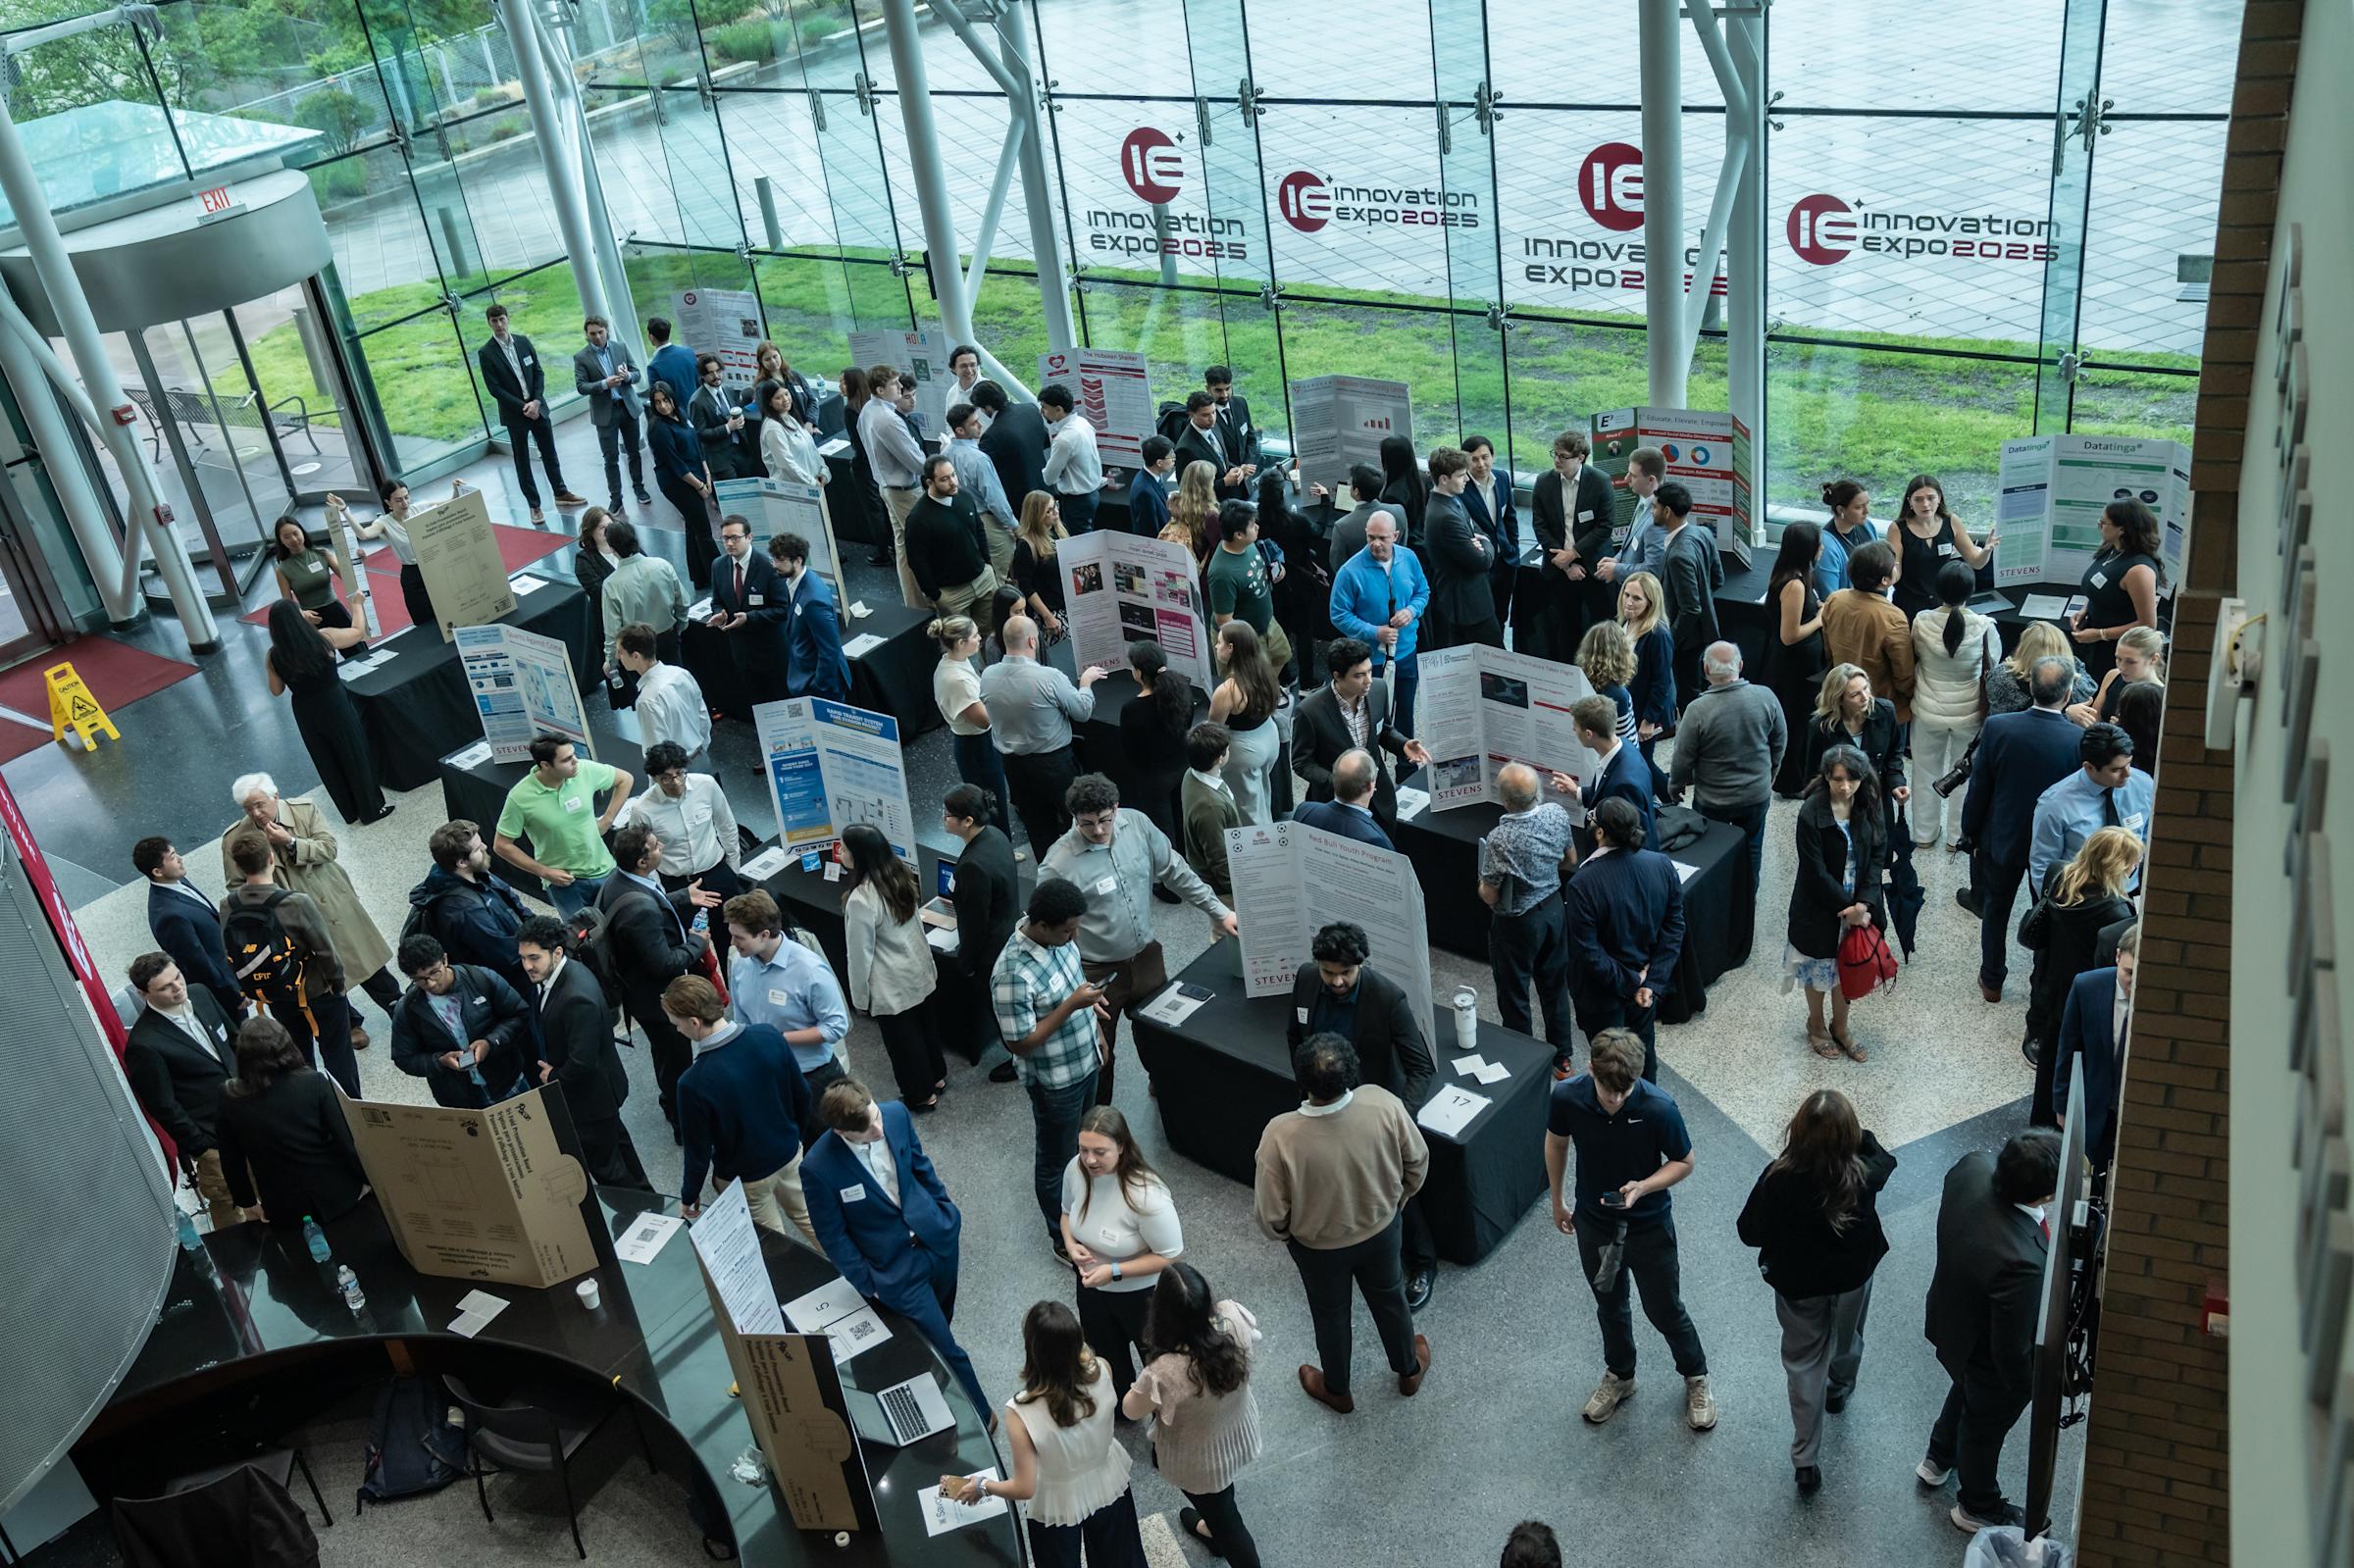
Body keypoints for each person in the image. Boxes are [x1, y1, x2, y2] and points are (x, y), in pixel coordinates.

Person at [1544, 1028, 1714, 1431]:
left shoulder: (1659, 1108)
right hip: (1595, 1223)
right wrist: (1557, 1201)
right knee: (1609, 1304)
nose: (1617, 1100)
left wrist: (1645, 1186)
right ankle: (1620, 1376)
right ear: (1590, 1070)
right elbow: (1556, 1142)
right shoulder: (1568, 1097)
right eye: (1608, 1092)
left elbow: (1685, 1161)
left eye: (1625, 1091)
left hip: (1649, 1226)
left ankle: (1696, 1376)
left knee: (1665, 1308)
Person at [1255, 1032, 1431, 1413]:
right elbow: (1417, 1161)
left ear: (1302, 1081)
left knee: (1330, 1315)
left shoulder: (1279, 1135)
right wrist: (1397, 1200)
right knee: (1391, 1298)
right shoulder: (1383, 1104)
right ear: (1353, 1072)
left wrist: (1292, 1236)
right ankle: (1408, 1369)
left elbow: (1270, 1216)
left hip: (1317, 1249)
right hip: (1382, 1230)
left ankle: (1337, 1388)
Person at [1736, 1088, 1897, 1495]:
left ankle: (1806, 1460)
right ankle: (1839, 1389)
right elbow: (1884, 1156)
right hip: (1852, 1276)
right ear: (1850, 1136)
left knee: (1804, 1362)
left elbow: (1748, 1232)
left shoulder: (1779, 1177)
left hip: (1798, 1285)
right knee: (1848, 1337)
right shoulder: (1865, 1172)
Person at [1042, 773, 1236, 1106]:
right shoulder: (1058, 866)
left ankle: (1164, 1086)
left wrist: (1219, 911)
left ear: (1116, 808)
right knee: (1099, 1051)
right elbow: (1048, 938)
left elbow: (1175, 871)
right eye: (1087, 824)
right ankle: (1098, 1119)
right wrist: (1073, 986)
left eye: (1105, 819)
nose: (1099, 830)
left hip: (1145, 957)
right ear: (1074, 818)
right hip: (1095, 972)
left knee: (1159, 1031)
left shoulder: (1138, 825)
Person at [802, 1080, 990, 1413]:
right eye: (867, 1129)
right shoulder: (818, 1167)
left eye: (876, 1116)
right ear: (842, 1132)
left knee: (942, 1321)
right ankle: (983, 1415)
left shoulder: (895, 1114)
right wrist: (869, 1283)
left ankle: (933, 1375)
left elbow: (920, 1165)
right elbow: (832, 1236)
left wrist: (945, 1210)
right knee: (949, 1349)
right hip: (895, 1271)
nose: (878, 1128)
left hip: (936, 1238)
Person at [1285, 925, 1439, 1304]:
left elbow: (1421, 1066)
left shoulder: (1386, 997)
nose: (1336, 981)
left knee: (1397, 1187)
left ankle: (1422, 1263)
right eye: (1328, 972)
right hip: (1322, 1103)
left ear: (1361, 965)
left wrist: (1396, 1119)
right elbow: (1295, 1035)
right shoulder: (1305, 979)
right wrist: (1308, 1087)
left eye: (1345, 973)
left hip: (1371, 1110)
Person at [1919, 1129, 2061, 1533]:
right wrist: (2027, 1387)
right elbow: (2012, 1351)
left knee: (1966, 1386)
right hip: (1990, 1347)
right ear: (2045, 1194)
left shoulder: (1971, 1168)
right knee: (1985, 1423)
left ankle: (1938, 1457)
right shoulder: (2024, 1261)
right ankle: (1976, 1505)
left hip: (1953, 1317)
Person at [944, 1301, 1147, 1567]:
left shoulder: (1021, 1410)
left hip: (1055, 1498)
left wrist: (982, 1486)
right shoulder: (1103, 1370)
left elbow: (1024, 1487)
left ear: (1033, 1351)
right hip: (1107, 1478)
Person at [223, 775, 396, 1045]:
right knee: (318, 972)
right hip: (289, 919)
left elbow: (329, 848)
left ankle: (397, 1005)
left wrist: (291, 843)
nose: (256, 813)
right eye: (248, 808)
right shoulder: (236, 838)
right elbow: (235, 884)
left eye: (260, 804)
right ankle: (350, 1023)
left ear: (275, 796)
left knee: (363, 958)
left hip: (330, 899)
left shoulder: (304, 811)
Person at [1960, 657, 2087, 1001]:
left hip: (2003, 836)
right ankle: (2039, 979)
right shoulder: (2078, 740)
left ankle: (1992, 980)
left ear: (2030, 687)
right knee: (2047, 913)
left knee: (1996, 909)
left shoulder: (1999, 727)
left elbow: (1980, 788)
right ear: (2069, 693)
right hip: (2054, 846)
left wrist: (1969, 830)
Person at [993, 878, 1112, 1242]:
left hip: (1085, 1059)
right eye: (1067, 931)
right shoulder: (1013, 973)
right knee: (1056, 1161)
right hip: (1055, 1081)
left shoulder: (1059, 940)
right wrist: (1071, 1006)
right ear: (1041, 925)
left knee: (1084, 1142)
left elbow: (1079, 988)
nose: (1073, 938)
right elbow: (1020, 1043)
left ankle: (1088, 1202)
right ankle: (1062, 1236)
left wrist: (1097, 1030)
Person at [1123, 1264, 1264, 1568]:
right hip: (1236, 1431)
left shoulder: (1164, 1371)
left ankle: (1218, 1534)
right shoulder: (1233, 1315)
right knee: (1222, 1503)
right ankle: (1213, 1527)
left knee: (1229, 1523)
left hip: (1199, 1460)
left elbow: (1129, 1409)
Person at [667, 974, 813, 1241]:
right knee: (815, 1222)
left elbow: (698, 1153)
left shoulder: (692, 1083)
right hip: (790, 1153)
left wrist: (689, 1196)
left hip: (747, 1177)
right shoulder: (768, 1035)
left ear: (695, 1022)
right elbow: (802, 1095)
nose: (677, 1030)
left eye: (677, 1024)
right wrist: (794, 1136)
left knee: (774, 1246)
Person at [597, 823, 718, 1136]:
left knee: (665, 1054)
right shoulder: (641, 911)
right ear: (642, 860)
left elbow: (650, 904)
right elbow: (663, 963)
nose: (661, 846)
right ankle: (682, 1120)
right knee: (675, 1059)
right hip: (656, 1000)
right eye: (655, 845)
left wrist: (681, 897)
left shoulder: (619, 881)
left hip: (637, 990)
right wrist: (696, 942)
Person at [1061, 1105, 1184, 1402]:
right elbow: (1066, 1213)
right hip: (1091, 1286)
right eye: (1084, 1149)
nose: (1089, 1159)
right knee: (1105, 1354)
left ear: (1122, 1147)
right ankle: (1117, 1407)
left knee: (1155, 1363)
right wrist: (1069, 1243)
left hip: (1141, 1296)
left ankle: (1162, 1422)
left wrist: (1113, 1271)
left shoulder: (1146, 1195)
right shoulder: (1075, 1169)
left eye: (1100, 1152)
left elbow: (1170, 1255)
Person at [1667, 640, 1784, 952]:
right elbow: (1779, 739)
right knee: (1752, 851)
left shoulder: (1697, 711)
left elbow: (1682, 758)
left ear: (1706, 670)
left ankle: (1718, 915)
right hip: (1755, 796)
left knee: (1712, 860)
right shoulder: (1764, 698)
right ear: (1741, 666)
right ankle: (1747, 908)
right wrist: (1770, 774)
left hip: (1713, 802)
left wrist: (1675, 786)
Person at [519, 914, 650, 1189]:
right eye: (523, 958)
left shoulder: (576, 997)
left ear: (556, 952)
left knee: (609, 1170)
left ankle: (633, 1214)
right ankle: (648, 1203)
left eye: (534, 958)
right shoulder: (567, 974)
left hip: (591, 1101)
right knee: (621, 1153)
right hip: (600, 1094)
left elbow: (582, 1061)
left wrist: (553, 1075)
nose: (527, 966)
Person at [1562, 797, 1684, 1083]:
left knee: (1608, 1065)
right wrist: (1651, 982)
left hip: (1601, 994)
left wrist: (1633, 983)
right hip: (1644, 993)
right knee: (1643, 1055)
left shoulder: (1582, 884)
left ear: (1601, 832)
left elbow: (1588, 951)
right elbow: (1674, 926)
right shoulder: (1661, 864)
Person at [1784, 744, 1889, 1063]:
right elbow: (1814, 870)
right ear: (1826, 777)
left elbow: (1878, 855)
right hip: (1820, 906)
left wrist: (1865, 903)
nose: (1845, 786)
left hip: (1859, 903)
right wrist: (1849, 909)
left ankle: (1841, 1026)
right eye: (1838, 779)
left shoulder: (1870, 801)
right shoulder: (1811, 812)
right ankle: (1816, 1024)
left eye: (1851, 779)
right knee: (1818, 968)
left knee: (1846, 968)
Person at [2021, 824, 2140, 1103]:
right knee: (2073, 1071)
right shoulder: (2117, 914)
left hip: (2048, 984)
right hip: (2079, 996)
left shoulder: (2059, 874)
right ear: (2119, 866)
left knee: (2049, 1066)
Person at [215, 1017, 370, 1227]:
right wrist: (367, 1180)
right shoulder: (312, 1082)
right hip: (336, 1190)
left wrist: (246, 1200)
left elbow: (230, 1155)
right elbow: (346, 1140)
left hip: (281, 1202)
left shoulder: (230, 1095)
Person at [122, 953, 241, 1228]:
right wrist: (202, 1145)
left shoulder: (200, 994)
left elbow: (236, 1042)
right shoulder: (144, 1044)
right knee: (232, 1207)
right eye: (165, 987)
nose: (178, 987)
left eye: (177, 977)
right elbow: (164, 1105)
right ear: (143, 994)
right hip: (215, 1139)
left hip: (251, 1113)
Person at [724, 889, 851, 1132]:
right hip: (769, 1075)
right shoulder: (740, 964)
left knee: (830, 1149)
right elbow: (742, 1020)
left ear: (763, 934)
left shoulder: (809, 970)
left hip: (813, 1079)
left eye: (739, 937)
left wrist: (778, 1040)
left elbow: (836, 1026)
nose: (732, 943)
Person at [1479, 760, 1581, 1061]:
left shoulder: (1500, 838)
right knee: (1554, 987)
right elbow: (1570, 859)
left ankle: (1525, 1062)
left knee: (1514, 993)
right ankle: (1563, 1058)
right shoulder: (1557, 814)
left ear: (1506, 800)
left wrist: (1481, 887)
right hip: (1553, 911)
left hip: (1518, 924)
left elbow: (1490, 893)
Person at [840, 823, 944, 1112]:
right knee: (926, 1028)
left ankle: (920, 1096)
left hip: (890, 982)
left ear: (859, 856)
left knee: (903, 1044)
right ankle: (936, 1078)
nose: (840, 852)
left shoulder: (860, 899)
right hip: (918, 968)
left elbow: (859, 955)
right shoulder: (899, 875)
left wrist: (859, 998)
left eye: (845, 848)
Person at [982, 613, 1105, 853]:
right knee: (1075, 818)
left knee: (1036, 825)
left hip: (1014, 766)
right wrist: (1086, 684)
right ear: (1032, 641)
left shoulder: (987, 676)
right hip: (1054, 765)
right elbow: (1082, 712)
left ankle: (1048, 873)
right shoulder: (1049, 677)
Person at [267, 561, 390, 775]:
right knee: (352, 749)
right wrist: (357, 605)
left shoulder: (274, 655)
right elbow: (357, 633)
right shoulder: (323, 638)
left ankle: (348, 807)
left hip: (305, 710)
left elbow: (276, 691)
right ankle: (372, 804)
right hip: (334, 701)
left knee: (327, 760)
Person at [1910, 561, 2002, 847]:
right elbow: (1995, 665)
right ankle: (1956, 836)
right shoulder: (1985, 626)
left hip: (1927, 710)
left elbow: (1913, 654)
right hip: (1970, 713)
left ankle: (1923, 835)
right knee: (1964, 774)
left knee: (1925, 770)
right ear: (1971, 591)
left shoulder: (1922, 621)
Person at [1295, 637, 1431, 828]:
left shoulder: (1378, 689)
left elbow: (1383, 731)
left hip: (1379, 797)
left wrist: (1403, 744)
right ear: (1337, 676)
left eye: (1368, 671)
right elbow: (1302, 762)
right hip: (1335, 804)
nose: (1368, 680)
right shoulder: (1309, 711)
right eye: (1359, 675)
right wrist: (1339, 782)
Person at [492, 735, 634, 919]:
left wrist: (607, 820)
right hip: (566, 883)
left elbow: (625, 779)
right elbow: (502, 845)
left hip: (604, 870)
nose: (575, 761)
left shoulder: (583, 770)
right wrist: (543, 871)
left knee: (624, 922)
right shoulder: (519, 797)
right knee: (584, 938)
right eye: (566, 759)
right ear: (545, 765)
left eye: (573, 755)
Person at [387, 935, 532, 1109]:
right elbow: (404, 1058)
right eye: (419, 979)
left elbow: (518, 1014)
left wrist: (490, 1042)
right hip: (459, 1098)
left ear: (445, 959)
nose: (431, 983)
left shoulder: (480, 979)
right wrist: (440, 1061)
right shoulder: (408, 1009)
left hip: (507, 1081)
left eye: (434, 972)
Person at [942, 784, 1022, 1075]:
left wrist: (966, 962)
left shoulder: (972, 866)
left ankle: (1018, 1060)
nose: (944, 819)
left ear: (967, 821)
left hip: (990, 952)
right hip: (1008, 933)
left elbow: (977, 923)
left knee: (1000, 1011)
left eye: (949, 815)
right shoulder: (996, 836)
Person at [478, 302, 583, 523]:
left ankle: (561, 492)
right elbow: (494, 388)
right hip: (516, 414)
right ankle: (534, 506)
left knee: (550, 452)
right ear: (489, 323)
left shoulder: (523, 342)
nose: (498, 324)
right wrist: (523, 407)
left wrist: (535, 401)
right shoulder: (486, 353)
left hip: (537, 407)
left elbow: (538, 372)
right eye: (494, 321)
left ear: (508, 319)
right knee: (522, 460)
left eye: (501, 319)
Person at [1326, 509, 1427, 731]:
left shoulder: (1409, 558)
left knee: (1405, 712)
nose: (1376, 543)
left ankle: (1406, 762)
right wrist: (1374, 632)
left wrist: (1411, 610)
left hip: (1406, 653)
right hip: (1370, 662)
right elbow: (1338, 614)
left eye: (1382, 538)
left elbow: (1423, 591)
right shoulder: (1349, 572)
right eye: (1371, 537)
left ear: (1396, 536)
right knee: (1369, 718)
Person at [2028, 722, 2154, 898]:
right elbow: (2043, 865)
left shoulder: (2143, 785)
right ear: (2089, 767)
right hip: (2082, 899)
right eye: (2116, 769)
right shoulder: (2055, 804)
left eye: (2129, 764)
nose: (2128, 774)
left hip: (2132, 892)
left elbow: (2149, 834)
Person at [406, 819, 531, 993]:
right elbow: (505, 956)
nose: (486, 847)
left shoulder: (476, 874)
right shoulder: (464, 910)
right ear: (462, 862)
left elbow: (516, 905)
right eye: (478, 848)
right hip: (509, 982)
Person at [1530, 430, 1620, 657]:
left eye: (1563, 456)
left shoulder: (1600, 482)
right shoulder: (1543, 482)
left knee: (1602, 628)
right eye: (1555, 454)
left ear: (1580, 457)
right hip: (1559, 568)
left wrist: (1574, 554)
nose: (1556, 460)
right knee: (1565, 628)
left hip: (1594, 566)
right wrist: (1566, 564)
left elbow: (1604, 526)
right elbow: (1540, 526)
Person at [135, 836, 245, 1023]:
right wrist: (235, 994)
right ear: (157, 871)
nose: (180, 858)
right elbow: (199, 965)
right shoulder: (169, 916)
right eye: (172, 857)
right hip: (224, 997)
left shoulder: (177, 880)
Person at [2055, 927, 2137, 1172]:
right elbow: (2067, 1049)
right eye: (2128, 972)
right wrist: (2061, 1106)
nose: (2134, 982)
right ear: (2117, 956)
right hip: (2094, 1106)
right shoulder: (2087, 986)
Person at [931, 614, 1014, 838]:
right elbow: (983, 719)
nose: (980, 639)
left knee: (994, 794)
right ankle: (999, 843)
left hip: (978, 742)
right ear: (960, 643)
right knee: (989, 799)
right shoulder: (956, 679)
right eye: (975, 636)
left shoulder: (954, 662)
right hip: (977, 746)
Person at [1765, 521, 1830, 798]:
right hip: (1796, 668)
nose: (1823, 548)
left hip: (1805, 665)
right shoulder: (1794, 584)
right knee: (1796, 725)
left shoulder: (1803, 574)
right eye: (1818, 544)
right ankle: (1791, 782)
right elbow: (1789, 635)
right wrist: (1819, 619)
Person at [328, 478, 440, 632]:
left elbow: (450, 506)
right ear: (388, 503)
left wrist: (456, 489)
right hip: (412, 575)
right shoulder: (384, 522)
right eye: (399, 500)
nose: (405, 503)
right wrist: (345, 510)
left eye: (406, 497)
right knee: (424, 621)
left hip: (435, 564)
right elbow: (363, 534)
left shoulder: (421, 508)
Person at [858, 364, 930, 608]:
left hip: (887, 488)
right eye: (894, 385)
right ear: (879, 389)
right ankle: (928, 600)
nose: (900, 387)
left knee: (904, 549)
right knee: (922, 547)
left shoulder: (868, 410)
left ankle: (915, 602)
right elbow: (918, 463)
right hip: (905, 493)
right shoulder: (889, 420)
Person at [2070, 497, 2164, 680]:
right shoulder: (2110, 548)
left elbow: (2147, 624)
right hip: (2093, 640)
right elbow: (2101, 587)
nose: (2099, 526)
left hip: (2117, 652)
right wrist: (2084, 610)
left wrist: (2100, 634)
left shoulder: (2139, 571)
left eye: (2103, 523)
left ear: (2122, 529)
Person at [1820, 540, 1916, 722]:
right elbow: (1904, 673)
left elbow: (1829, 649)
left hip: (1842, 697)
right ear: (1885, 580)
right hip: (1880, 705)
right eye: (1893, 565)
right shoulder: (1892, 616)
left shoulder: (1835, 599)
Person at [598, 520, 687, 706]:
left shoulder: (611, 584)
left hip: (636, 649)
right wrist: (680, 626)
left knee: (650, 698)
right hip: (668, 638)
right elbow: (682, 602)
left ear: (612, 548)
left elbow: (613, 631)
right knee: (677, 689)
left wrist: (611, 661)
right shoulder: (662, 565)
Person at [905, 452, 999, 622]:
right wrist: (935, 595)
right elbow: (917, 561)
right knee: (963, 645)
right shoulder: (918, 519)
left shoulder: (963, 497)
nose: (953, 482)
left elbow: (979, 531)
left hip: (983, 580)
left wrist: (988, 565)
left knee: (991, 635)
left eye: (953, 475)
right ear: (929, 483)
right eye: (944, 479)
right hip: (952, 594)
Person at [1800, 664, 1908, 812]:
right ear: (1839, 699)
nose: (1865, 697)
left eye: (1866, 688)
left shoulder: (1885, 711)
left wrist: (1897, 782)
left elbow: (1894, 753)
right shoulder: (1821, 727)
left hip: (1876, 796)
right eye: (1855, 694)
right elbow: (1813, 772)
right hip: (1840, 799)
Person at [706, 513, 790, 705]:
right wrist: (718, 613)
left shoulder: (769, 567)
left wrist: (750, 618)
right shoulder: (718, 565)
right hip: (742, 651)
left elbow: (782, 609)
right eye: (725, 538)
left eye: (735, 538)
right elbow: (717, 600)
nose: (729, 543)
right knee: (757, 701)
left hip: (771, 652)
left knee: (782, 702)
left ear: (749, 537)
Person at [1421, 446, 1500, 649]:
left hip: (1469, 600)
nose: (1466, 479)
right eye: (1461, 475)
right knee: (1493, 662)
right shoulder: (1445, 516)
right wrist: (1486, 543)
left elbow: (1475, 528)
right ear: (1444, 479)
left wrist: (1477, 539)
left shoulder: (1451, 500)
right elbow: (1482, 561)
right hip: (1467, 606)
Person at [1888, 474, 1997, 618]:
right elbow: (1896, 572)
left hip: (1944, 604)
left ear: (1939, 498)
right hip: (1910, 604)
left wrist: (1986, 551)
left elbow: (1976, 562)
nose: (1925, 504)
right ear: (1910, 501)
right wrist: (1887, 572)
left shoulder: (1951, 521)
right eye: (1918, 500)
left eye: (1930, 498)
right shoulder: (1897, 529)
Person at [1207, 620, 1284, 826]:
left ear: (1231, 648)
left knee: (1247, 812)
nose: (1216, 646)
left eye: (1220, 642)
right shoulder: (1264, 670)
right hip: (1269, 737)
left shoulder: (1228, 690)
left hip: (1244, 752)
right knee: (1261, 794)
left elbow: (1213, 731)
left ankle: (1258, 853)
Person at [1205, 498, 1292, 678]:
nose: (1257, 527)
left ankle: (1267, 693)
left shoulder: (1247, 544)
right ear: (1238, 535)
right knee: (1248, 687)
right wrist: (1244, 651)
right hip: (1246, 640)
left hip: (1267, 623)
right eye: (1252, 525)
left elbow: (1255, 569)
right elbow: (1224, 621)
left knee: (1282, 656)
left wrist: (1275, 570)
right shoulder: (1222, 573)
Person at [1656, 482, 1724, 708]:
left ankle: (1693, 738)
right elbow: (1717, 579)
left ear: (1667, 511)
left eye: (1655, 507)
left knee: (1688, 694)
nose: (1652, 511)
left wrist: (1669, 642)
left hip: (1686, 640)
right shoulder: (1703, 532)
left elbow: (1690, 608)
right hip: (1702, 633)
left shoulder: (1678, 556)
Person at [644, 380, 717, 590]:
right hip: (677, 483)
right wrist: (700, 486)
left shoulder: (681, 415)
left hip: (694, 473)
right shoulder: (659, 429)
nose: (663, 406)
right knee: (703, 529)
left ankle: (700, 577)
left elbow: (696, 445)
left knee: (693, 527)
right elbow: (676, 464)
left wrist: (707, 473)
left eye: (666, 400)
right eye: (657, 403)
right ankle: (717, 575)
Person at [1120, 640, 1193, 845]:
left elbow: (1129, 749)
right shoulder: (1182, 691)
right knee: (1183, 818)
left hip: (1153, 778)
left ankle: (1170, 869)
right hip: (1183, 767)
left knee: (1162, 829)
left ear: (1139, 672)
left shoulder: (1132, 709)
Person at [573, 315, 649, 512]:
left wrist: (628, 376)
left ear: (606, 330)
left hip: (627, 407)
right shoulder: (582, 357)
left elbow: (637, 373)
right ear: (587, 335)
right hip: (605, 414)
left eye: (600, 332)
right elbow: (581, 386)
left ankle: (639, 489)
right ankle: (616, 498)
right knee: (610, 458)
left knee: (634, 452)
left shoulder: (620, 348)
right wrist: (604, 384)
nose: (597, 337)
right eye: (592, 334)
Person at [615, 622, 711, 771]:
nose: (617, 656)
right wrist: (701, 748)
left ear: (635, 656)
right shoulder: (681, 673)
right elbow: (703, 718)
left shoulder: (647, 700)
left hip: (677, 773)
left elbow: (656, 753)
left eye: (620, 652)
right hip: (702, 759)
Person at [770, 531, 853, 701]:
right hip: (804, 674)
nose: (774, 564)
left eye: (780, 560)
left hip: (821, 687)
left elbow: (830, 649)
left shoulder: (813, 600)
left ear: (798, 561)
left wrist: (818, 686)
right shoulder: (794, 582)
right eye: (774, 559)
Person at [269, 516, 364, 657]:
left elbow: (347, 576)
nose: (293, 540)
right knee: (323, 659)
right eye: (287, 537)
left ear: (302, 532)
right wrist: (301, 613)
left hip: (334, 609)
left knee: (357, 651)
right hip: (311, 618)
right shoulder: (282, 569)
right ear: (281, 540)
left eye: (295, 533)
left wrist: (357, 559)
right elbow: (287, 602)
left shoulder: (321, 553)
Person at [1619, 571, 1677, 799]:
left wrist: (1649, 720)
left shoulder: (1658, 634)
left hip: (1647, 712)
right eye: (1626, 595)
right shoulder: (1626, 622)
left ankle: (1671, 797)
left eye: (1637, 598)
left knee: (1642, 762)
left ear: (1650, 603)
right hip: (1631, 706)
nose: (1629, 602)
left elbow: (1661, 681)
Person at [1573, 692, 1656, 850]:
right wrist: (1578, 792)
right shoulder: (1624, 746)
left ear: (1589, 734)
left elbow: (1630, 836)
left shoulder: (1624, 785)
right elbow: (1606, 790)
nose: (1574, 730)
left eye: (1575, 728)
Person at [947, 401, 1021, 577]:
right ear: (960, 431)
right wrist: (1014, 526)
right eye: (973, 423)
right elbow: (994, 498)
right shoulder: (979, 459)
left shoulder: (945, 454)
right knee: (1000, 575)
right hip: (987, 521)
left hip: (960, 519)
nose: (980, 425)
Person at [1460, 434, 1518, 627]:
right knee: (1485, 622)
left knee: (1501, 616)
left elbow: (1509, 517)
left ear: (1492, 456)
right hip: (1480, 565)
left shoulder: (1502, 478)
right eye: (1474, 459)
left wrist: (1513, 549)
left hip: (1505, 560)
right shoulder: (1460, 488)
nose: (1481, 464)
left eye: (1485, 457)